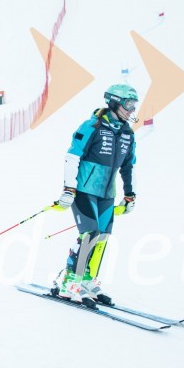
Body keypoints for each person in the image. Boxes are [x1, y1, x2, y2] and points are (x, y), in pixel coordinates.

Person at [51, 84, 139, 307]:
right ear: (114, 102)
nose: (131, 109)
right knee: (90, 235)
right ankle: (70, 282)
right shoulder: (92, 126)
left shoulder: (128, 133)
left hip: (107, 194)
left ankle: (88, 282)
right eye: (128, 104)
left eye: (134, 105)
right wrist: (69, 189)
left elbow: (129, 166)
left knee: (102, 238)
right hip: (84, 191)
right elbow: (72, 156)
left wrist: (130, 194)